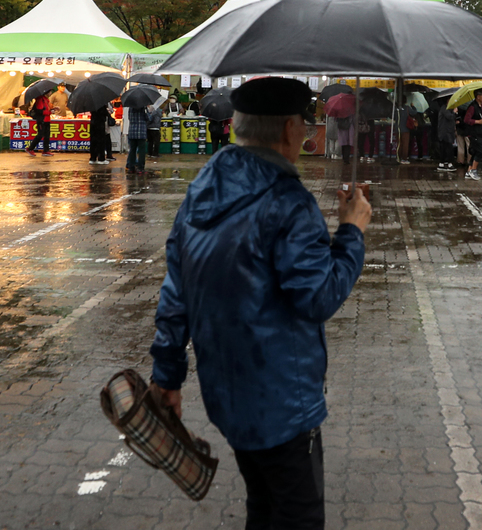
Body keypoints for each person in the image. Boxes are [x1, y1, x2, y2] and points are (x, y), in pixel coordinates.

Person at [150, 78, 370, 530]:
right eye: (305, 123)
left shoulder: (201, 189)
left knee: (263, 505)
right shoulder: (288, 201)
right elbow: (318, 297)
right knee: (296, 515)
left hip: (227, 395)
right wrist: (351, 233)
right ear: (290, 129)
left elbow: (176, 289)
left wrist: (167, 375)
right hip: (283, 402)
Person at [462, 89, 482, 180]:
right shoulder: (472, 107)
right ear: (478, 96)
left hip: (480, 133)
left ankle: (469, 171)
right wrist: (478, 121)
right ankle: (473, 170)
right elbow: (466, 120)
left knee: (475, 152)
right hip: (473, 134)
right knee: (480, 152)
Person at [26, 87, 55, 156]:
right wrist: (50, 112)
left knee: (47, 135)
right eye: (50, 91)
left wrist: (52, 110)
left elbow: (46, 109)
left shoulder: (46, 100)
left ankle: (46, 150)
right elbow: (39, 111)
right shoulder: (40, 100)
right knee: (40, 135)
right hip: (42, 120)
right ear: (46, 92)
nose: (51, 93)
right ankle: (30, 148)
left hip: (47, 120)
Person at [125, 103, 149, 172]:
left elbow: (129, 118)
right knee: (141, 151)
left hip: (132, 132)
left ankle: (131, 167)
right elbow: (148, 118)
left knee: (132, 150)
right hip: (141, 132)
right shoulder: (144, 108)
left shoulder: (130, 108)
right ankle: (140, 168)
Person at [435, 105, 457, 171]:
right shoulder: (444, 108)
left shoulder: (447, 108)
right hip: (445, 132)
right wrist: (454, 112)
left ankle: (443, 163)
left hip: (448, 132)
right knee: (447, 148)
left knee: (445, 148)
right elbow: (450, 117)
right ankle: (448, 163)